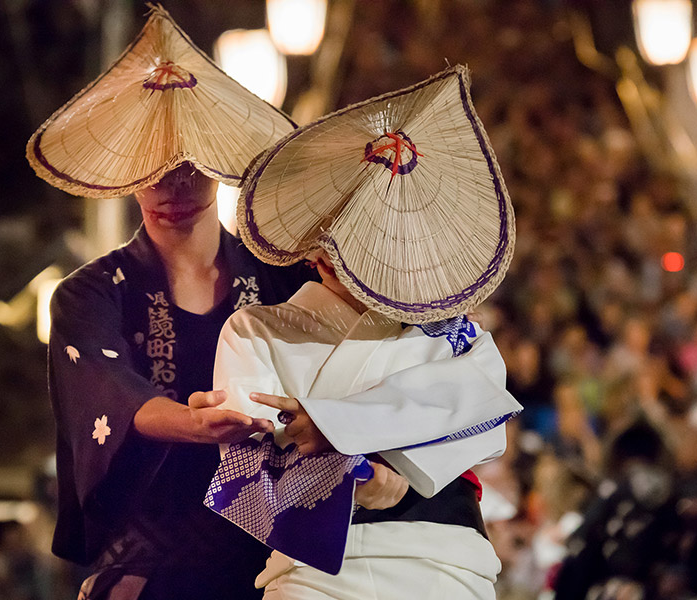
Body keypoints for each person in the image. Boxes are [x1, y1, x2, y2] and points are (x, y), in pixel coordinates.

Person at [29, 7, 414, 599]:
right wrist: (189, 421)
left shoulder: (284, 277)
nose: (172, 187)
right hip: (149, 558)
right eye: (152, 170)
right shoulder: (89, 293)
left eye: (188, 167)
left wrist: (383, 464)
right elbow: (104, 390)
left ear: (216, 166)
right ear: (129, 175)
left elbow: (361, 373)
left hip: (277, 558)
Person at [206, 66, 522, 598]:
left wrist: (338, 430)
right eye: (328, 228)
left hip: (443, 561)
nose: (332, 250)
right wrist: (354, 473)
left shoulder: (458, 337)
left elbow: (486, 422)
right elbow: (252, 467)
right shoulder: (254, 330)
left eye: (357, 236)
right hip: (311, 573)